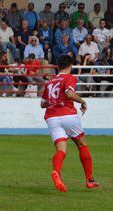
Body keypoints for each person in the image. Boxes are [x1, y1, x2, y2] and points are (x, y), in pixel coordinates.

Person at [41, 55, 99, 191]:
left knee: (61, 149)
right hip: (67, 115)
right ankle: (89, 179)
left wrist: (54, 101)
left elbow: (43, 104)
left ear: (58, 66)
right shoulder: (70, 78)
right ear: (70, 66)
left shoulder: (49, 82)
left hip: (51, 118)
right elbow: (69, 93)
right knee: (81, 144)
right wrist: (83, 102)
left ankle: (56, 172)